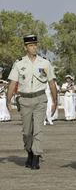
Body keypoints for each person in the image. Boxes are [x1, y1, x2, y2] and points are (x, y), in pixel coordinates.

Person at [6, 35, 57, 170]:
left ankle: (36, 156)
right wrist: (8, 100)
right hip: (24, 100)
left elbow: (52, 82)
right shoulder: (19, 64)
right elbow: (12, 83)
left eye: (35, 45)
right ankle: (29, 151)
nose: (34, 47)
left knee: (38, 130)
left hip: (40, 99)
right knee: (27, 132)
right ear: (25, 47)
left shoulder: (45, 63)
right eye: (30, 45)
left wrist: (55, 101)